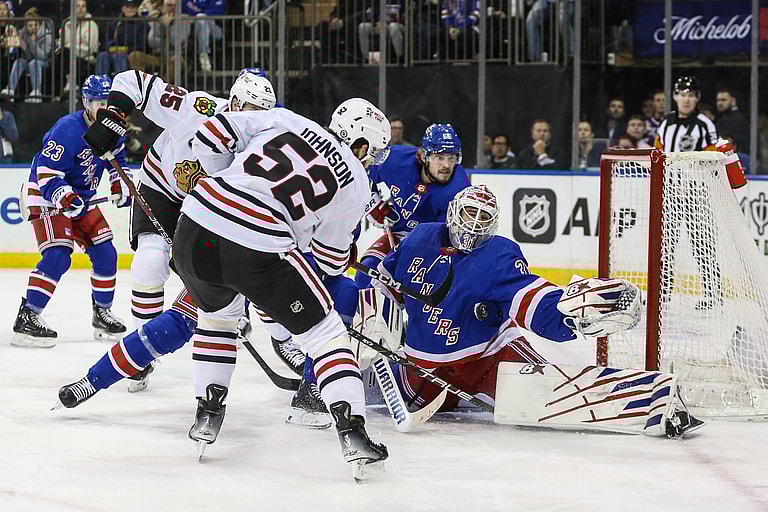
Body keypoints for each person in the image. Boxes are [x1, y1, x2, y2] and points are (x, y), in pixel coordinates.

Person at [365, 184, 700, 437]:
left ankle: (654, 404)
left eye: (484, 217)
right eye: (470, 214)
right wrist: (371, 276)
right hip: (424, 367)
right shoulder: (421, 237)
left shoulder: (498, 254)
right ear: (454, 212)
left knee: (549, 393)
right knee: (373, 387)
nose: (475, 224)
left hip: (487, 357)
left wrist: (570, 314)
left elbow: (529, 299)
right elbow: (387, 273)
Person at [170, 98, 391, 480]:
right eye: (374, 151)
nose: (372, 159)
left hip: (194, 224)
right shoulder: (356, 181)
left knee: (218, 319)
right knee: (326, 334)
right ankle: (352, 431)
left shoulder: (287, 117)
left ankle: (208, 412)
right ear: (362, 144)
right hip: (258, 246)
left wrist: (229, 189)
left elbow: (209, 136)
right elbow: (329, 261)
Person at [12, 75, 130, 348]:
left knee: (106, 253)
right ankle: (28, 316)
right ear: (86, 102)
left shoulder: (113, 128)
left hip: (82, 200)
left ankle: (102, 314)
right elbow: (46, 173)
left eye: (107, 102)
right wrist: (64, 196)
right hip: (46, 198)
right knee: (58, 255)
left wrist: (119, 185)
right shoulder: (67, 129)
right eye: (97, 102)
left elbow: (117, 160)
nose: (103, 108)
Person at [354, 122, 470, 290]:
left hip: (431, 245)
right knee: (367, 273)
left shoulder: (458, 191)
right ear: (423, 156)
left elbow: (446, 240)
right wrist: (372, 204)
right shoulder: (394, 160)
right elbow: (361, 173)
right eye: (439, 157)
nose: (446, 165)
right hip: (398, 234)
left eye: (451, 158)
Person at [654, 75, 732, 310]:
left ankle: (713, 293)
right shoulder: (666, 123)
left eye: (691, 95)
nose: (686, 99)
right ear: (676, 96)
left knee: (703, 243)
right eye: (682, 94)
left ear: (697, 98)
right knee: (664, 244)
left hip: (696, 192)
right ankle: (662, 292)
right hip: (670, 191)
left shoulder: (704, 124)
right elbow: (658, 152)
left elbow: (713, 157)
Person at [0, 8, 52, 103]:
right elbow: (26, 54)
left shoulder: (47, 35)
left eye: (35, 25)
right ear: (26, 27)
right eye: (30, 26)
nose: (33, 27)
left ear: (39, 24)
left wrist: (33, 42)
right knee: (19, 61)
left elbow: (42, 56)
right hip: (28, 60)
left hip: (43, 61)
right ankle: (10, 90)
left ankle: (37, 92)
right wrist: (13, 41)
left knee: (33, 63)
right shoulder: (23, 33)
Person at [96, 0, 148, 76]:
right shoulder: (115, 24)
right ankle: (101, 83)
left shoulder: (142, 25)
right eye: (127, 7)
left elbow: (142, 45)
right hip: (113, 52)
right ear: (123, 8)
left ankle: (121, 86)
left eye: (132, 7)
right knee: (102, 55)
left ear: (136, 9)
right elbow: (106, 42)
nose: (130, 9)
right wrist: (109, 46)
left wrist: (125, 49)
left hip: (129, 54)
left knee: (119, 56)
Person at [60, 0, 99, 95]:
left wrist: (71, 47)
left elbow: (90, 48)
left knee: (66, 53)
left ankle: (72, 82)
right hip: (69, 56)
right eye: (77, 6)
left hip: (86, 58)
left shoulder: (92, 24)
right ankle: (59, 92)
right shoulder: (66, 23)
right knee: (60, 56)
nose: (81, 9)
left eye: (83, 6)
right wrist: (71, 47)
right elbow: (62, 43)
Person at [182, 0, 225, 73]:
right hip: (194, 27)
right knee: (200, 19)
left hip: (214, 27)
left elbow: (216, 11)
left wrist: (198, 14)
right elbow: (184, 8)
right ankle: (203, 55)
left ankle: (203, 53)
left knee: (202, 18)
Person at [716, 88, 749, 153]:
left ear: (733, 100)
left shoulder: (737, 119)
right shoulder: (723, 117)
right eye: (718, 100)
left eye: (723, 100)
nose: (720, 103)